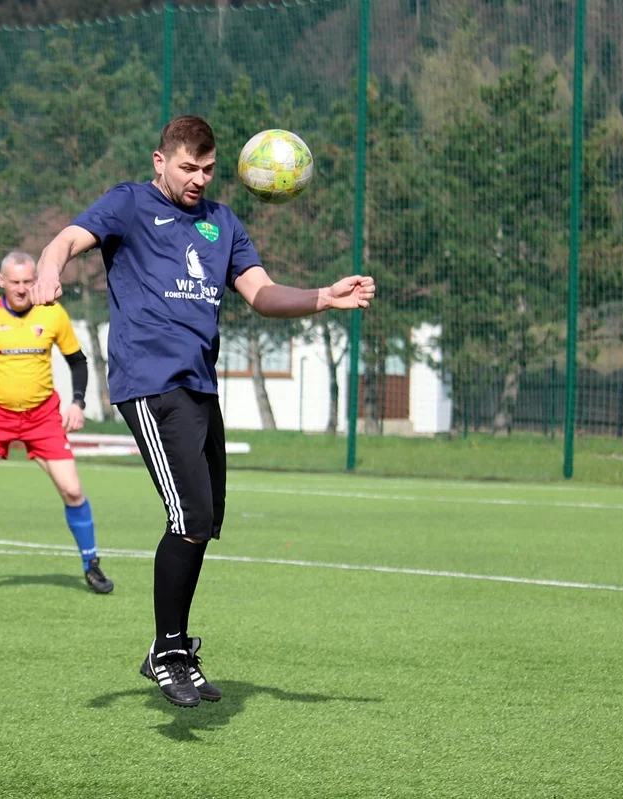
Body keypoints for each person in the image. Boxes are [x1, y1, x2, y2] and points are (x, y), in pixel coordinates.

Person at [30, 116, 375, 707]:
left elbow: (262, 294)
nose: (198, 178)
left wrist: (322, 296)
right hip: (147, 382)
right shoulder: (129, 204)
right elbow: (66, 240)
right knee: (188, 512)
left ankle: (170, 647)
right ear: (159, 161)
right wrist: (46, 268)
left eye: (208, 169)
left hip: (198, 387)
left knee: (204, 519)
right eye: (188, 167)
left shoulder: (223, 223)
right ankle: (168, 652)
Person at [0, 251, 113, 596]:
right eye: (14, 282)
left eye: (27, 282)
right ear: (1, 281)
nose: (21, 289)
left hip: (42, 418)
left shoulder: (52, 314)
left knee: (73, 490)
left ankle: (91, 565)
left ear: (36, 281)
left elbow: (78, 362)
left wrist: (77, 403)